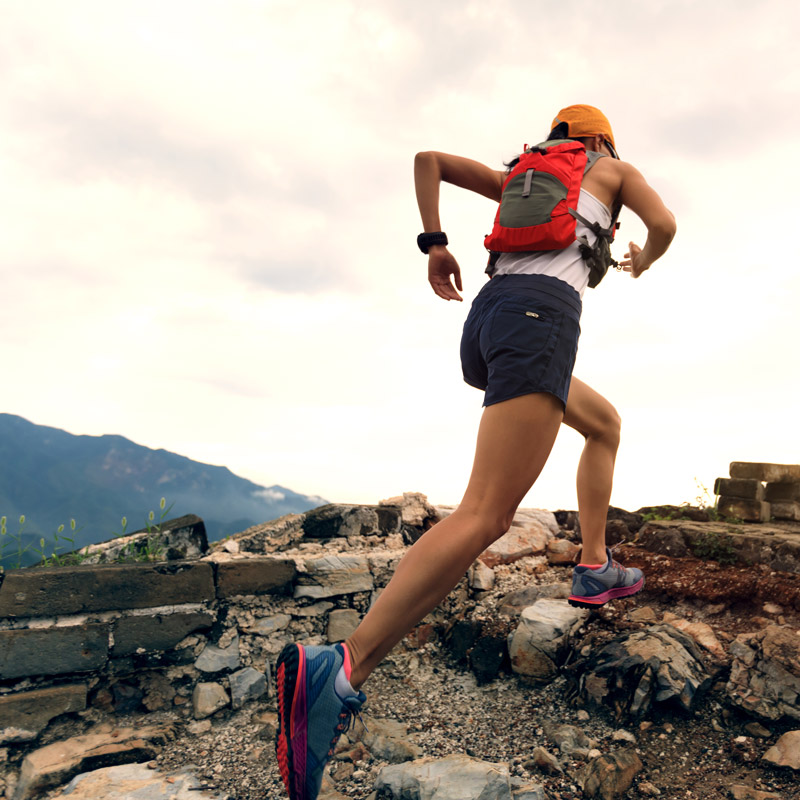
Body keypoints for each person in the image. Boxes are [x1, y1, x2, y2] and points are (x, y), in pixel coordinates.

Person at [275, 104, 676, 800]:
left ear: (555, 140)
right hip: (539, 318)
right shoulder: (611, 170)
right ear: (601, 140)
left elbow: (426, 160)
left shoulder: (521, 177)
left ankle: (593, 565)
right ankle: (340, 667)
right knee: (487, 513)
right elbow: (665, 224)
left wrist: (434, 242)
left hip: (489, 319)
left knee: (602, 423)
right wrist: (646, 256)